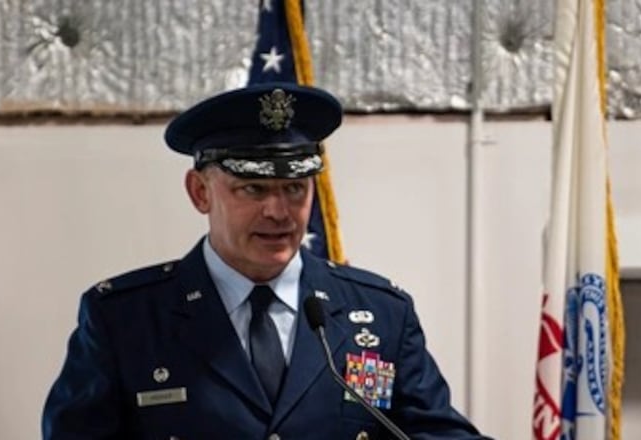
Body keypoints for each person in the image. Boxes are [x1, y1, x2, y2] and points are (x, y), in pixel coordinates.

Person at [42, 82, 491, 439]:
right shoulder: (126, 320)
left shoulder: (382, 315)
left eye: (294, 188)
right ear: (200, 192)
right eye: (252, 189)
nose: (278, 212)